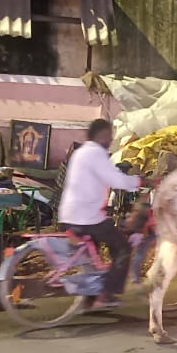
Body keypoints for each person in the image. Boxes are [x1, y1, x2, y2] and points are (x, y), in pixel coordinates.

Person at [58, 118, 142, 308]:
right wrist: (138, 182)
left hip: (70, 214)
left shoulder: (81, 152)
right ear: (102, 135)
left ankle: (90, 297)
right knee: (122, 248)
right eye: (109, 135)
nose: (110, 139)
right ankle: (106, 296)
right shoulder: (95, 154)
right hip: (87, 217)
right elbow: (116, 180)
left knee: (92, 257)